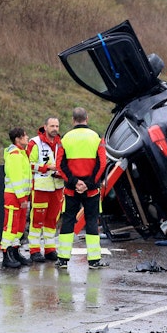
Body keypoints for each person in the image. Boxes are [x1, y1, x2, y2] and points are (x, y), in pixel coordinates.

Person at [56, 107, 108, 269]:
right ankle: (94, 260)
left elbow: (60, 165)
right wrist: (88, 183)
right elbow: (102, 164)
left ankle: (63, 259)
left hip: (71, 190)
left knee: (68, 220)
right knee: (91, 221)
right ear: (87, 118)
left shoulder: (65, 138)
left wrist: (74, 182)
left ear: (73, 120)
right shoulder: (96, 138)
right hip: (91, 190)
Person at [26, 116, 64, 263]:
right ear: (45, 127)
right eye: (52, 126)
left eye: (57, 126)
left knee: (52, 219)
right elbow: (28, 164)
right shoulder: (35, 143)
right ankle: (34, 250)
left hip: (57, 186)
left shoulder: (61, 143)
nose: (55, 129)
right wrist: (46, 167)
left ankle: (50, 249)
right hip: (41, 187)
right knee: (37, 219)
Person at [0, 127, 32, 269]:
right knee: (11, 226)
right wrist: (22, 198)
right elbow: (16, 179)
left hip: (20, 196)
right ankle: (6, 254)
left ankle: (14, 251)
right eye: (25, 136)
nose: (27, 137)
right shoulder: (15, 155)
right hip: (15, 196)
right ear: (18, 139)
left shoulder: (21, 154)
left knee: (19, 227)